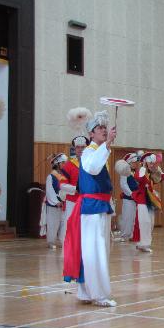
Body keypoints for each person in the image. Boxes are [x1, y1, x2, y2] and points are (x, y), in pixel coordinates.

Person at [63, 110, 118, 307]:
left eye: (105, 127)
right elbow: (93, 168)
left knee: (93, 249)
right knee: (95, 250)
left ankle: (86, 291)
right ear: (91, 134)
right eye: (99, 128)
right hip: (92, 207)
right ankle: (99, 294)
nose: (104, 130)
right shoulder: (89, 152)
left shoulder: (97, 151)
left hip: (98, 206)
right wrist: (108, 144)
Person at [133, 152, 164, 253]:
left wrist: (157, 168)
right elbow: (138, 178)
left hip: (150, 201)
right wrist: (143, 167)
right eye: (150, 163)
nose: (151, 165)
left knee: (151, 223)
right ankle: (143, 244)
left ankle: (144, 243)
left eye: (153, 163)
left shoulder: (152, 173)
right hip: (142, 201)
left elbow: (163, 177)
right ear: (146, 163)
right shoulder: (142, 171)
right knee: (144, 222)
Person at [59, 135, 89, 247]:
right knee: (71, 224)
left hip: (88, 201)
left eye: (83, 147)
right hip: (72, 201)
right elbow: (61, 185)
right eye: (78, 147)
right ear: (74, 149)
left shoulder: (92, 164)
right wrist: (75, 189)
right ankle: (68, 246)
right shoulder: (69, 165)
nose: (80, 149)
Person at [44, 153, 68, 249]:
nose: (64, 165)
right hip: (54, 204)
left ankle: (63, 240)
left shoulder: (64, 176)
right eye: (63, 163)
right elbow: (49, 190)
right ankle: (51, 241)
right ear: (58, 164)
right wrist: (56, 201)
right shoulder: (51, 177)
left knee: (64, 223)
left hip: (64, 203)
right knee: (53, 223)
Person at [116, 153, 140, 241]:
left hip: (136, 199)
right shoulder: (125, 171)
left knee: (134, 217)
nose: (136, 164)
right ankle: (125, 235)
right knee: (127, 217)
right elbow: (123, 185)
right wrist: (131, 194)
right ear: (129, 162)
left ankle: (132, 235)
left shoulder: (137, 172)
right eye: (134, 162)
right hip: (128, 199)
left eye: (136, 162)